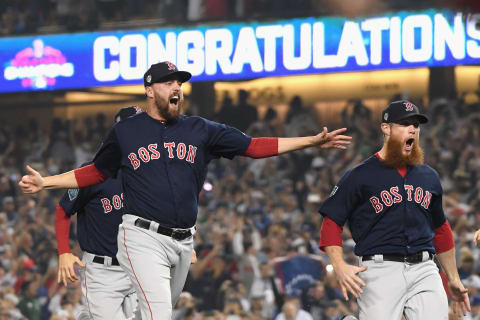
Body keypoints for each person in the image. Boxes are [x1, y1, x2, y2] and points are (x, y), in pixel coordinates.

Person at [19, 61, 352, 320]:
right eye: (168, 82)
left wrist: (310, 141)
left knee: (160, 308)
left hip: (182, 241)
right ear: (150, 90)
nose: (176, 87)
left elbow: (253, 146)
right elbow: (94, 171)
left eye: (179, 82)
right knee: (160, 312)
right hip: (139, 237)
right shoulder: (126, 132)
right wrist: (47, 182)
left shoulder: (200, 129)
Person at [318, 100, 470, 320]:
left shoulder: (429, 176)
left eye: (416, 125)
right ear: (386, 128)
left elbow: (441, 229)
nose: (412, 129)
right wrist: (339, 265)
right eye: (404, 123)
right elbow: (331, 222)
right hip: (380, 269)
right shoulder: (360, 175)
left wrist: (454, 278)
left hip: (424, 268)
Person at [55, 106, 141, 320]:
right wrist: (64, 251)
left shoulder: (148, 173)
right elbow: (63, 210)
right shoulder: (93, 171)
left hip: (138, 268)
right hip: (103, 271)